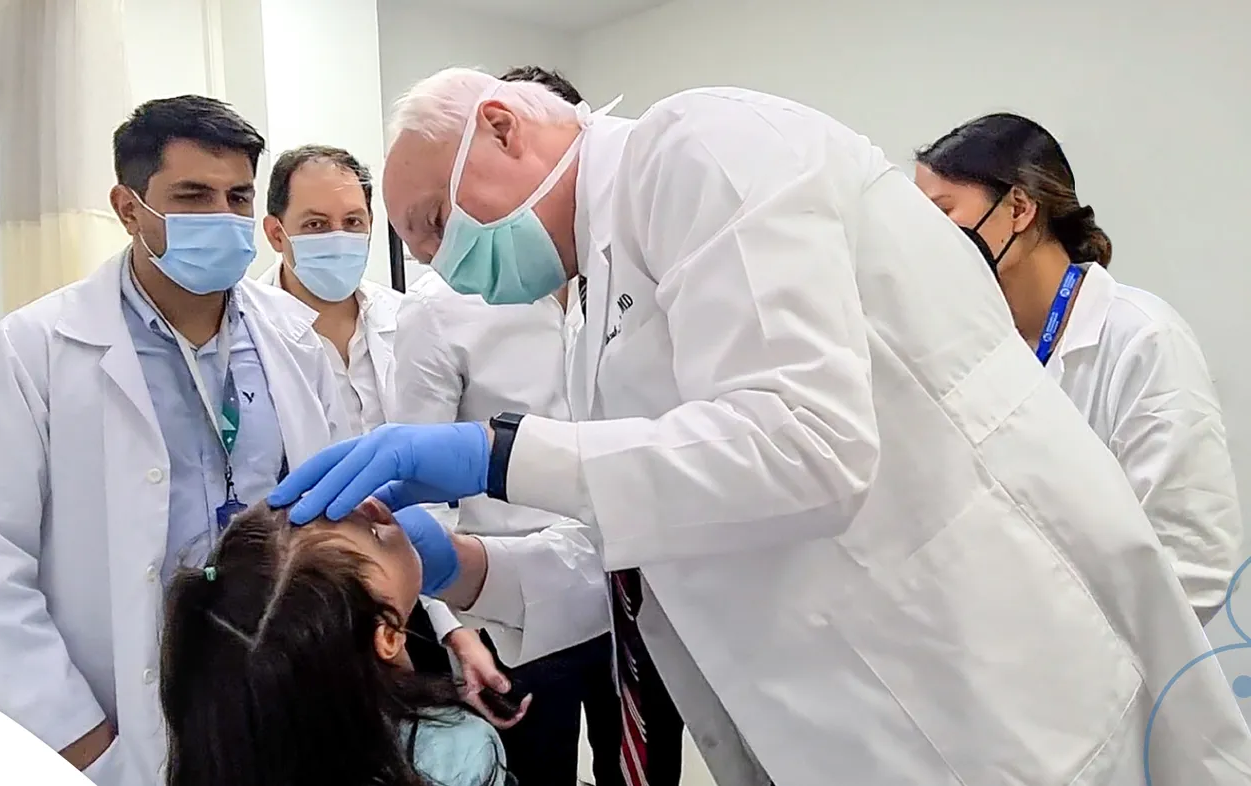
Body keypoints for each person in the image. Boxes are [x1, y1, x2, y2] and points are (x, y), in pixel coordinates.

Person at [269, 69, 1251, 785]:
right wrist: (469, 565)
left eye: (434, 223)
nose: (440, 268)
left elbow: (803, 448)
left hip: (982, 705)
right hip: (842, 725)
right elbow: (657, 541)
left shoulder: (698, 149)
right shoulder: (591, 301)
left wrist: (495, 452)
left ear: (501, 126)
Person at [0, 95, 346, 786]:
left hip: (277, 694)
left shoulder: (294, 339)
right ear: (129, 207)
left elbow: (329, 514)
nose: (222, 218)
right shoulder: (33, 351)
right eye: (192, 196)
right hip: (122, 717)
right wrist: (80, 743)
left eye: (238, 196)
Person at [385, 64, 629, 786]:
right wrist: (454, 626)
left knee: (643, 764)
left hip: (636, 585)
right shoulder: (444, 304)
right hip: (510, 606)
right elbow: (418, 488)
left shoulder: (621, 276)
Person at [915, 113, 1242, 624]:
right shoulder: (970, 345)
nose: (928, 240)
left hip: (1104, 676)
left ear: (1019, 208)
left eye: (943, 212)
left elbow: (1193, 563)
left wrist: (1061, 650)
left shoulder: (1142, 338)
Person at [255, 144, 493, 686]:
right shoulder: (248, 337)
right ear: (276, 233)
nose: (338, 238)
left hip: (417, 591)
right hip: (307, 607)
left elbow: (436, 495)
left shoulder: (408, 319)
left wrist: (455, 625)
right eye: (315, 224)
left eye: (352, 222)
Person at [160, 499, 510, 786]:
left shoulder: (225, 758)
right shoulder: (455, 752)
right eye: (375, 533)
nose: (373, 502)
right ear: (387, 635)